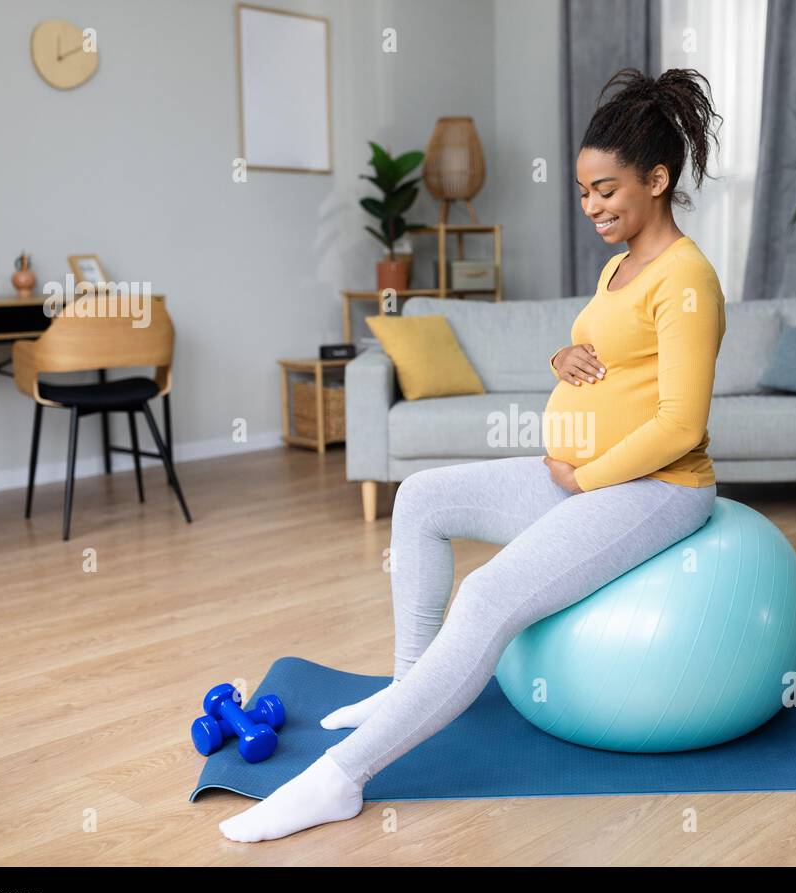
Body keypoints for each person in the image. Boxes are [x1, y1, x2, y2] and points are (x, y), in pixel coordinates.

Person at [220, 67, 726, 842]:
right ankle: (405, 690)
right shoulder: (619, 266)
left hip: (653, 488)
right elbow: (610, 354)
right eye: (584, 191)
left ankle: (342, 779)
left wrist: (583, 476)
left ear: (657, 180)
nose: (592, 207)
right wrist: (567, 359)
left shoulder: (689, 280)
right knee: (421, 498)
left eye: (607, 190)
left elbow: (681, 423)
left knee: (487, 598)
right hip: (582, 479)